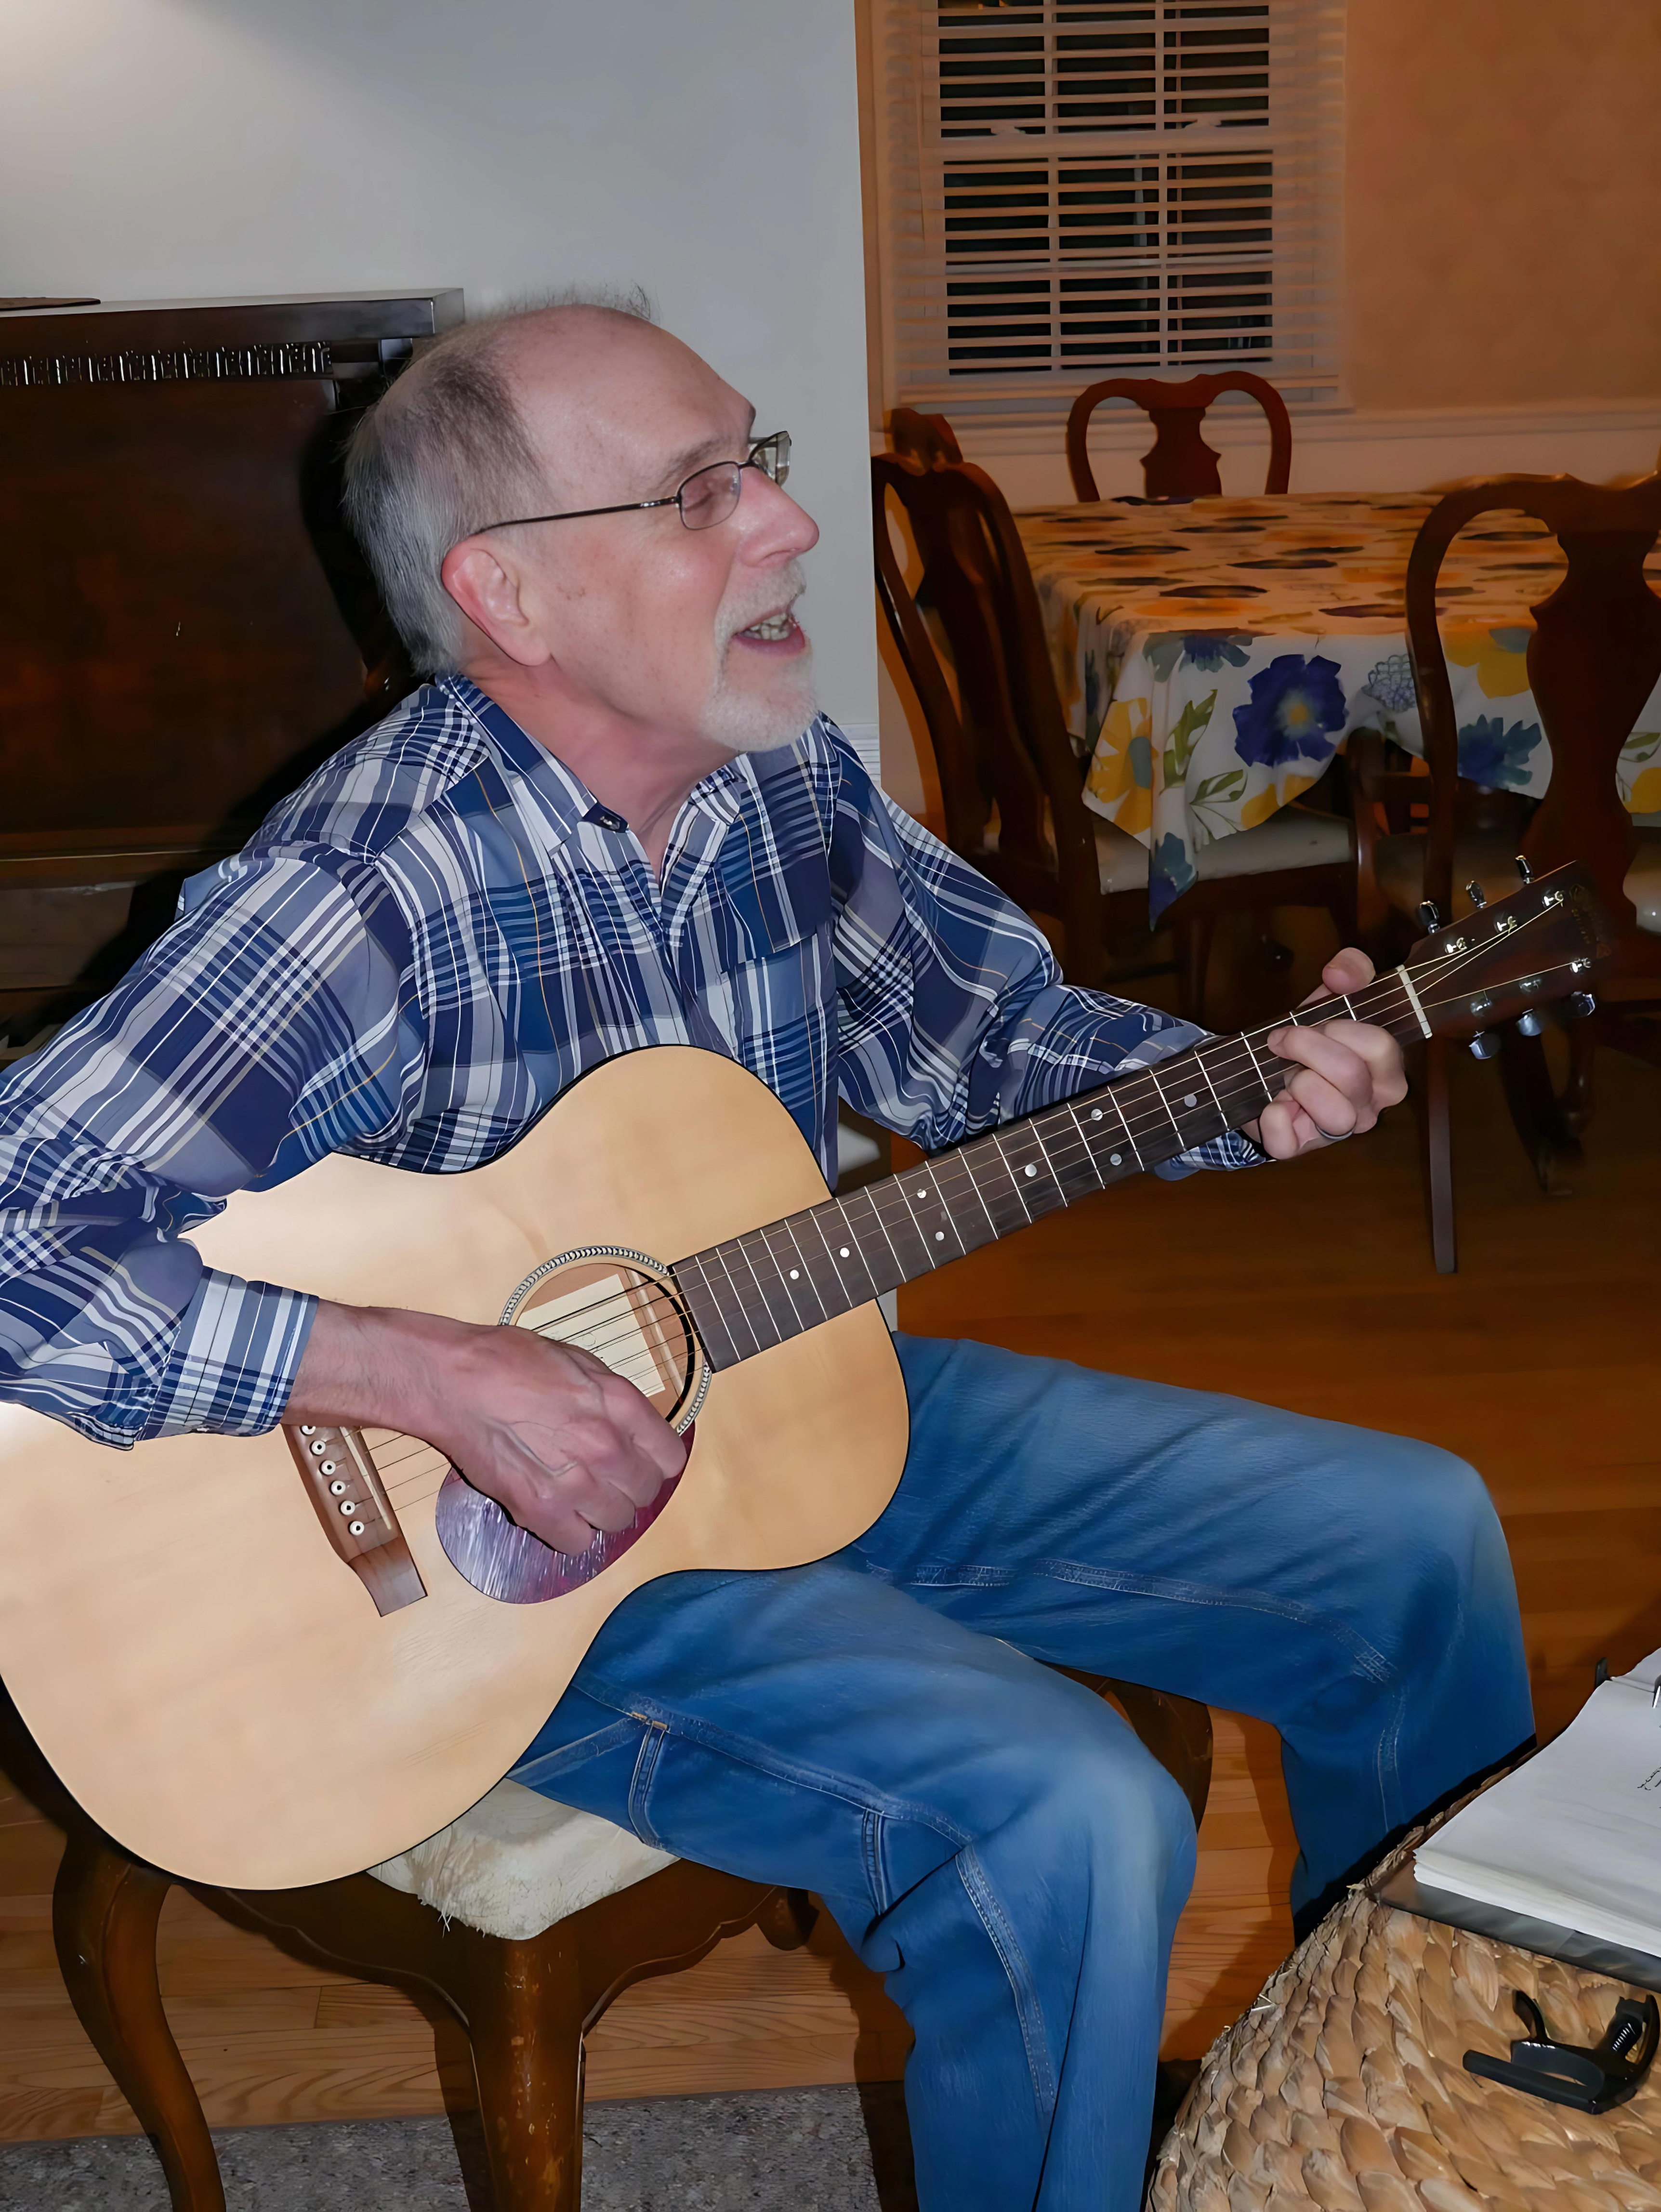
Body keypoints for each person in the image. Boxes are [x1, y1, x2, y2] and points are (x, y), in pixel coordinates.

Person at [0, 296, 1531, 2211]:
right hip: (479, 1592)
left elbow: (991, 1039)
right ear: (511, 597)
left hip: (789, 1401)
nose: (787, 528)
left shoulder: (770, 786)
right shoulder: (360, 892)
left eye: (762, 467)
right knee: (1060, 1809)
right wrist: (432, 1367)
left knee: (1412, 1539)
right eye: (695, 492)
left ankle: (1392, 2123)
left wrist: (1239, 1081)